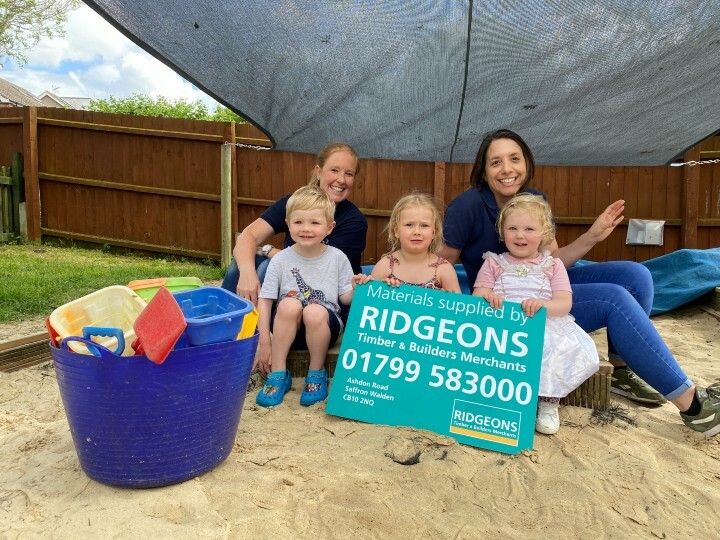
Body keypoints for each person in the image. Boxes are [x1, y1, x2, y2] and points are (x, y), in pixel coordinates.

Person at [440, 128, 719, 437]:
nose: (507, 169)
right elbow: (439, 265)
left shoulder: (534, 199)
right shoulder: (466, 207)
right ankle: (694, 407)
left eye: (514, 159)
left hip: (541, 286)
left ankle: (621, 371)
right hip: (512, 305)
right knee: (614, 299)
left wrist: (592, 236)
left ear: (526, 162)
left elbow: (554, 260)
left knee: (637, 276)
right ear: (483, 170)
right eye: (496, 162)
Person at [473, 193, 599, 435]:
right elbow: (478, 296)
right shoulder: (493, 263)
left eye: (529, 229)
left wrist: (543, 305)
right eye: (513, 228)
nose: (520, 235)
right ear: (502, 231)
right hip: (504, 324)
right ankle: (502, 400)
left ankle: (548, 403)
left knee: (553, 349)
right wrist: (490, 299)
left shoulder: (552, 265)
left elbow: (564, 303)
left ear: (544, 234)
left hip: (542, 324)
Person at [255, 185, 369, 407]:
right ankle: (279, 373)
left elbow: (345, 299)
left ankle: (316, 373)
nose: (306, 229)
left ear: (329, 227)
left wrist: (357, 289)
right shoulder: (280, 260)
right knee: (288, 304)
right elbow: (266, 301)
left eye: (315, 223)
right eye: (298, 222)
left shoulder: (337, 258)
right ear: (288, 225)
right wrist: (264, 342)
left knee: (314, 310)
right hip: (290, 328)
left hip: (325, 326)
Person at [221, 142, 368, 307]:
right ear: (319, 171)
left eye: (349, 174)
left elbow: (317, 268)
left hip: (329, 301)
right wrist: (247, 273)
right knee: (239, 266)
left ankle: (257, 328)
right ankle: (222, 322)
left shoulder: (354, 221)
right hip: (294, 283)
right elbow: (247, 236)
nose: (341, 180)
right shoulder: (294, 203)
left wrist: (268, 250)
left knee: (267, 267)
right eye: (334, 170)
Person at [370, 192, 460, 292]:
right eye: (409, 225)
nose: (416, 232)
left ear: (434, 232)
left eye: (424, 225)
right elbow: (367, 302)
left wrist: (445, 300)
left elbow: (458, 306)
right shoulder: (385, 266)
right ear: (396, 231)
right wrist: (382, 291)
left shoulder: (443, 269)